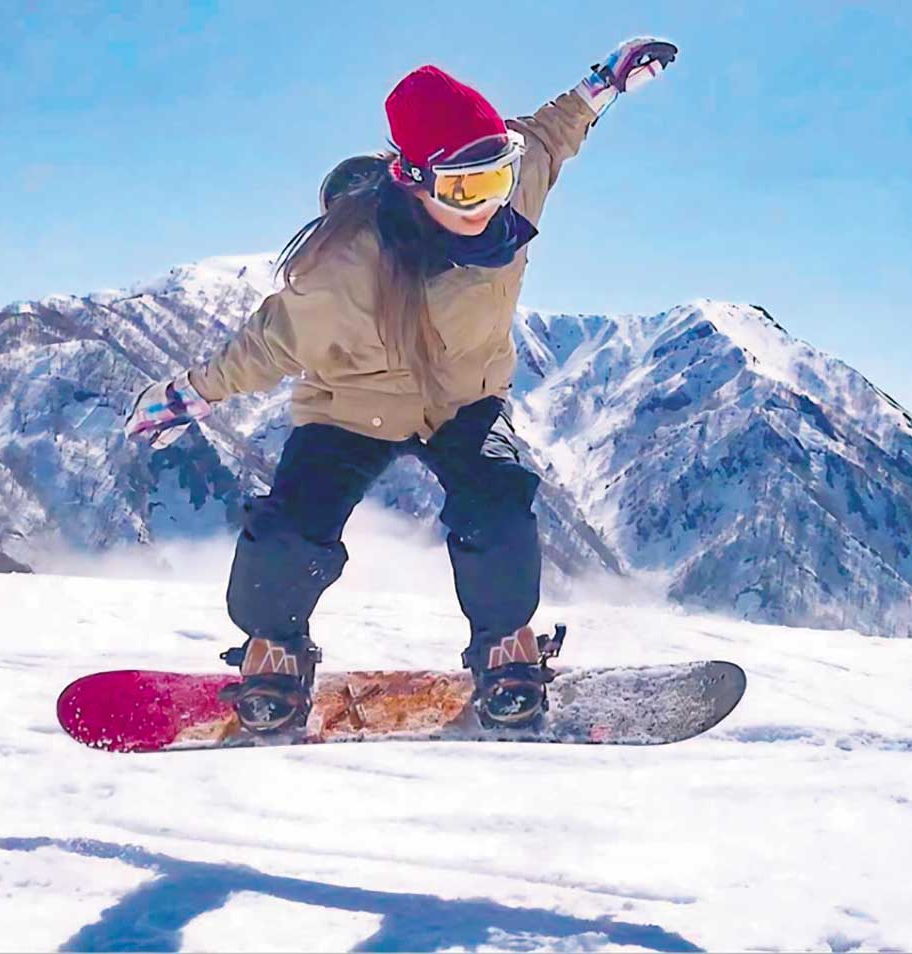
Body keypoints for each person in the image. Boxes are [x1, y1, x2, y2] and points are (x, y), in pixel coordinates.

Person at [123, 38, 679, 734]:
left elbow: (550, 133)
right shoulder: (341, 269)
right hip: (352, 407)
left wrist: (607, 82)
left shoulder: (510, 193)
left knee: (499, 508)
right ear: (414, 180)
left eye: (497, 179)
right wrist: (192, 394)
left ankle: (506, 644)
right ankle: (273, 647)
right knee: (291, 525)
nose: (486, 207)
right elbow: (269, 344)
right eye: (464, 190)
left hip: (464, 400)